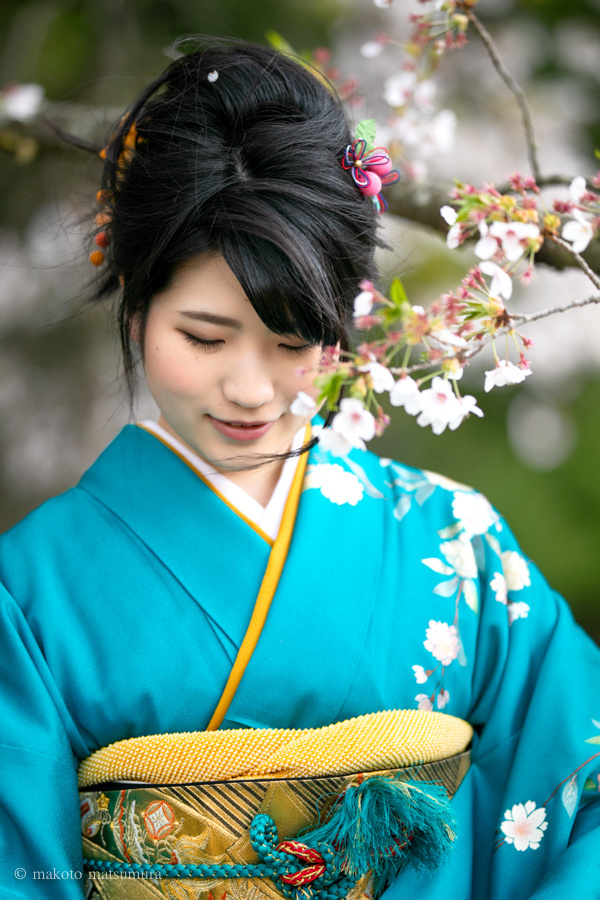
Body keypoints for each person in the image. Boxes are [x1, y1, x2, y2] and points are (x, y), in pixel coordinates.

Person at [1, 39, 599, 900]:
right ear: (135, 299)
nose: (250, 389)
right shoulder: (29, 591)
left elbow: (584, 781)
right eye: (203, 337)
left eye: (294, 344)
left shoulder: (457, 545)